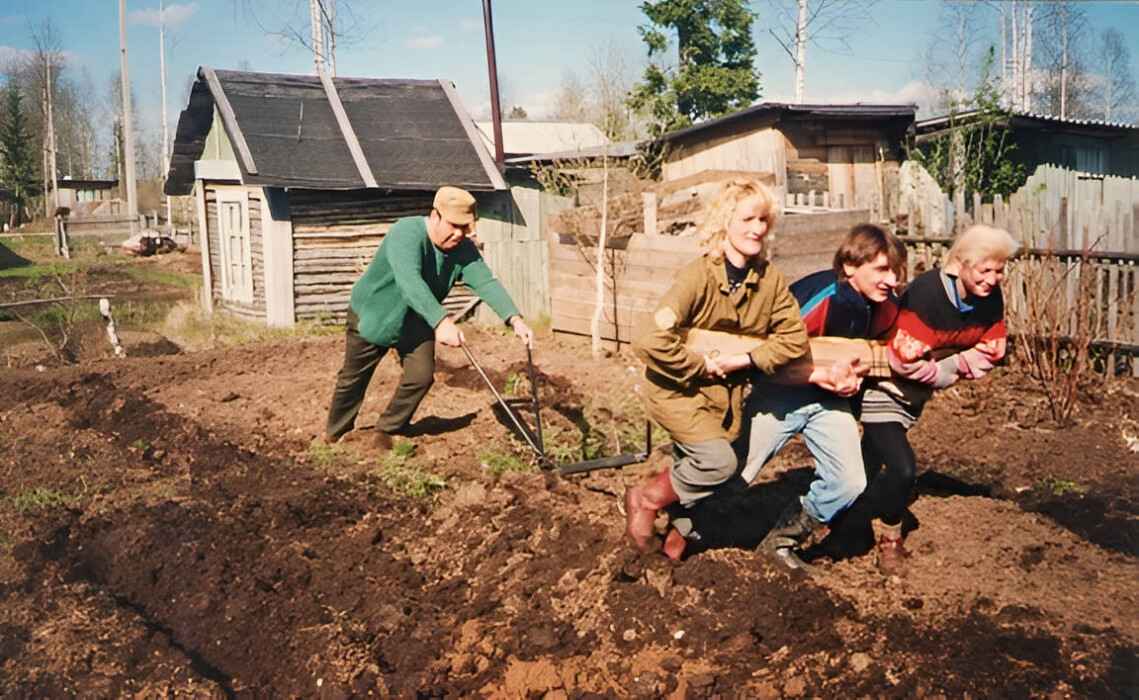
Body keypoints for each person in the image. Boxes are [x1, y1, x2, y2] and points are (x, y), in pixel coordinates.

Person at [626, 179, 809, 559]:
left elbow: (794, 339)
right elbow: (647, 338)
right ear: (725, 221)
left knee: (717, 472)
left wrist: (747, 359)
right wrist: (698, 365)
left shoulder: (769, 280)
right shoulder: (698, 276)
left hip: (725, 401)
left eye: (763, 220)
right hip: (677, 392)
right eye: (747, 219)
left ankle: (674, 545)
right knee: (717, 462)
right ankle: (646, 498)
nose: (757, 229)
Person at [736, 224, 905, 571]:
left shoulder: (886, 307)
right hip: (780, 393)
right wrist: (820, 375)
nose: (892, 281)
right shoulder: (820, 296)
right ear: (850, 266)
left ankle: (780, 543)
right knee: (733, 473)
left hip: (829, 401)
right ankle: (678, 527)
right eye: (882, 270)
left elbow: (880, 353)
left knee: (849, 481)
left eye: (896, 272)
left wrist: (857, 376)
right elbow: (765, 356)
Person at [852, 224, 1016, 574]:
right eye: (985, 269)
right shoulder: (928, 295)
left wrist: (949, 365)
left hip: (914, 394)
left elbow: (992, 348)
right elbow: (903, 358)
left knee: (867, 461)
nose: (992, 279)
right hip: (884, 387)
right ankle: (890, 540)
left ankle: (842, 514)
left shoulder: (989, 299)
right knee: (902, 468)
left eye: (999, 270)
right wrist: (943, 372)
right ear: (961, 263)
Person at [324, 186, 534, 451]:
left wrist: (515, 319)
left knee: (421, 376)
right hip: (374, 314)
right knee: (353, 380)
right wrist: (441, 322)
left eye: (465, 228)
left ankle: (389, 428)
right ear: (435, 216)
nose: (459, 234)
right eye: (454, 225)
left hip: (416, 319)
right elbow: (409, 281)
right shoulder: (406, 233)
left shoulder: (463, 249)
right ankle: (336, 434)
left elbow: (486, 282)